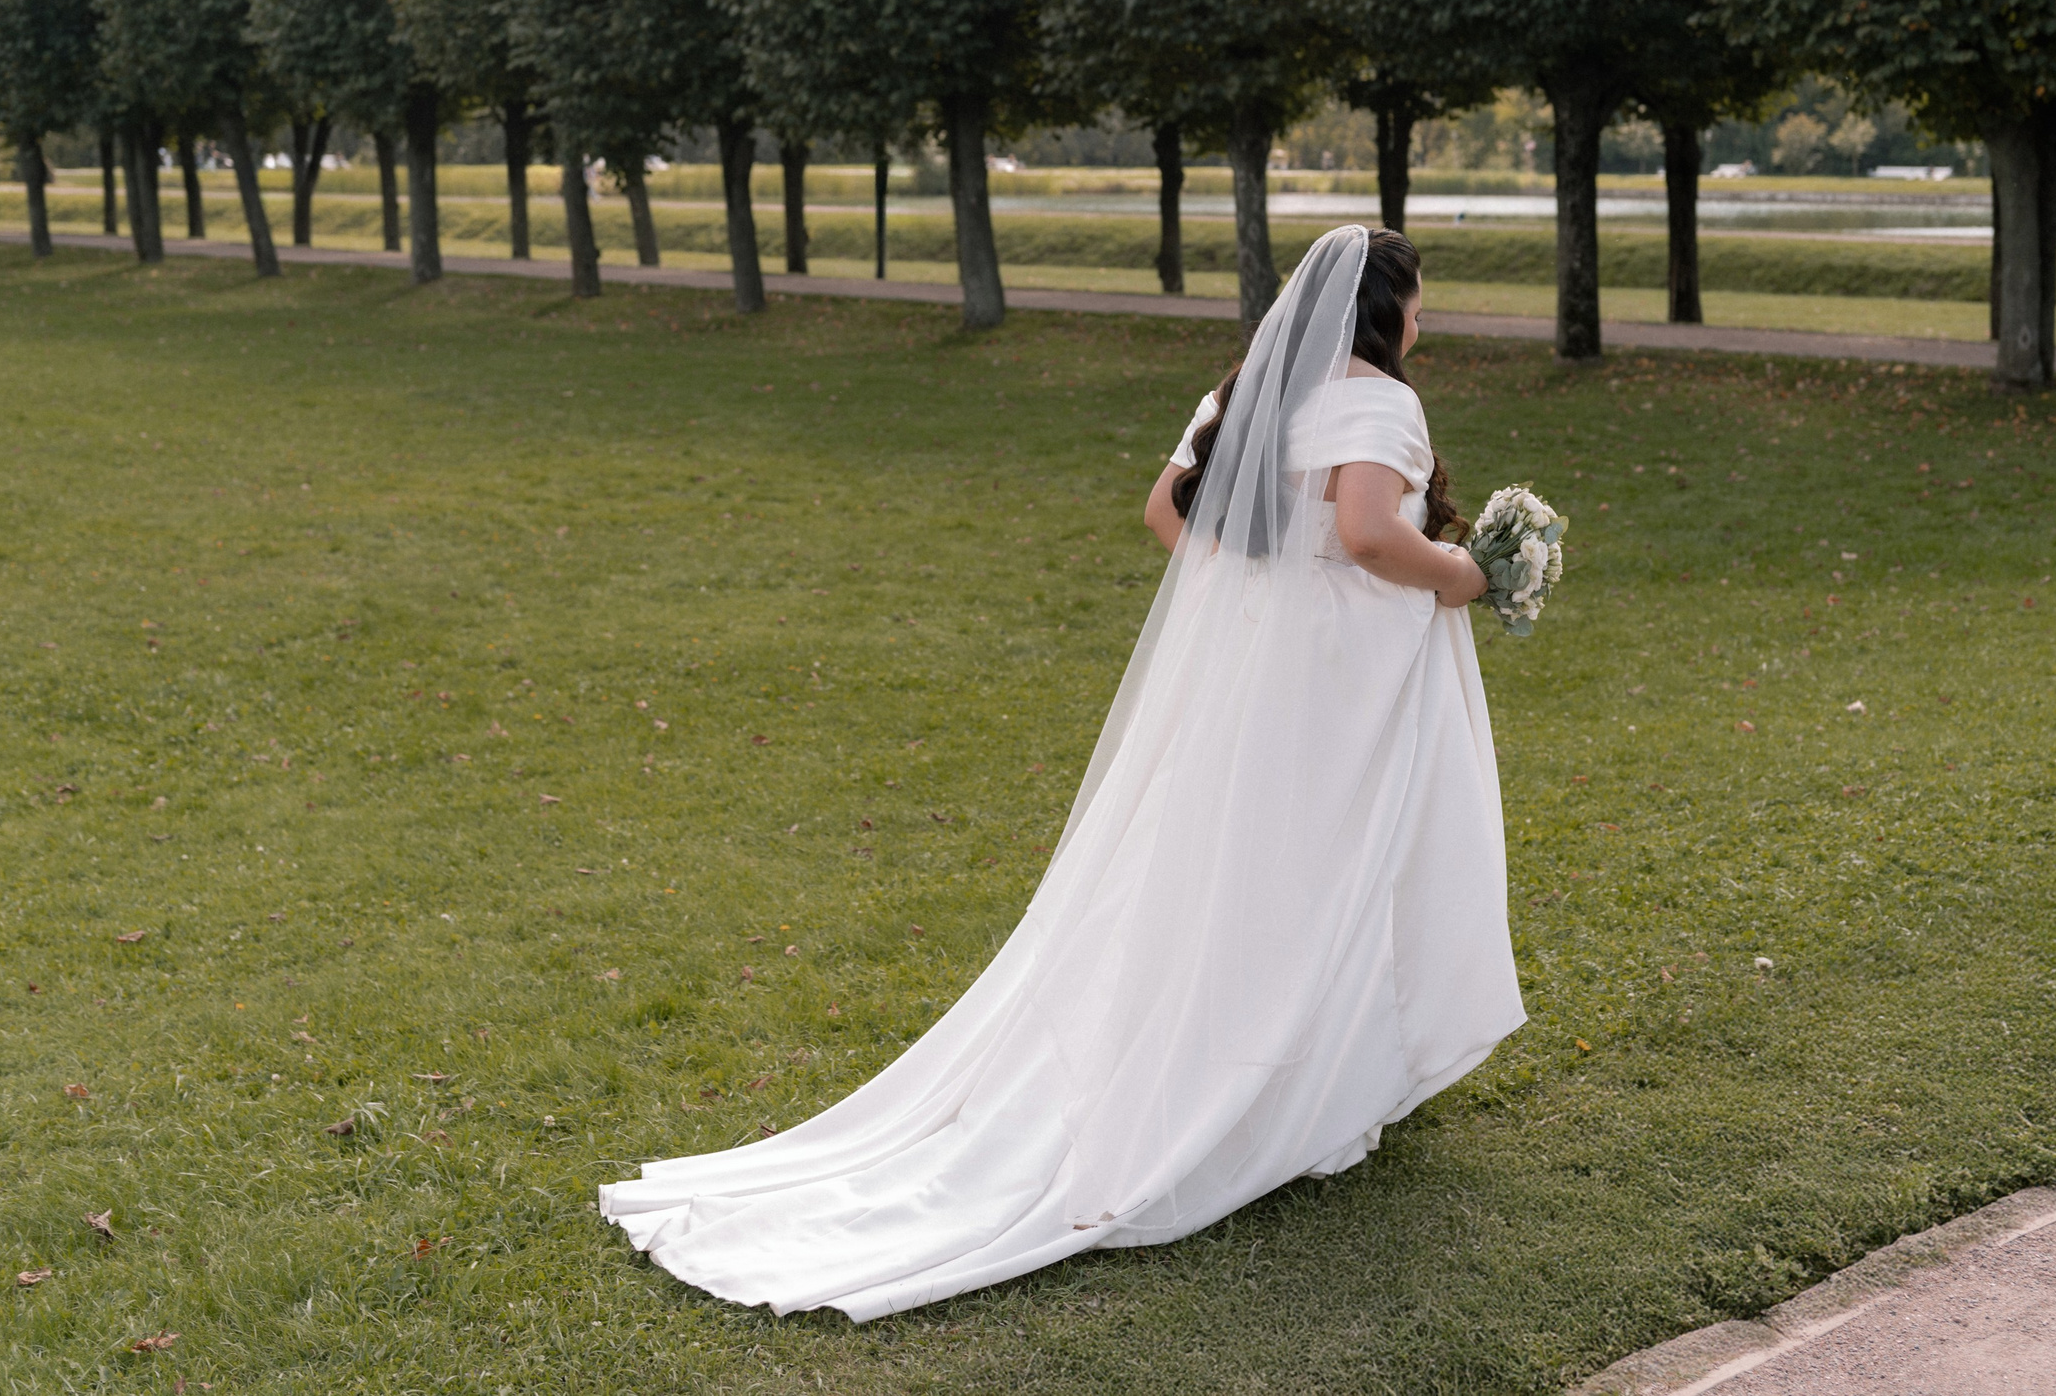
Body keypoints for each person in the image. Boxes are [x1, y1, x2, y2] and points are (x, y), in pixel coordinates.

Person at [599, 224, 1525, 1320]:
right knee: (1319, 859)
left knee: (1234, 858)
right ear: (1385, 310)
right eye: (1418, 302)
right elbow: (1373, 535)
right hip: (1338, 673)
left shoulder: (1251, 388)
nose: (1425, 321)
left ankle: (1281, 1057)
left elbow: (1166, 510)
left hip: (1256, 666)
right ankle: (1283, 1080)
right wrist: (1463, 572)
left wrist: (1261, 590)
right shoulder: (1378, 401)